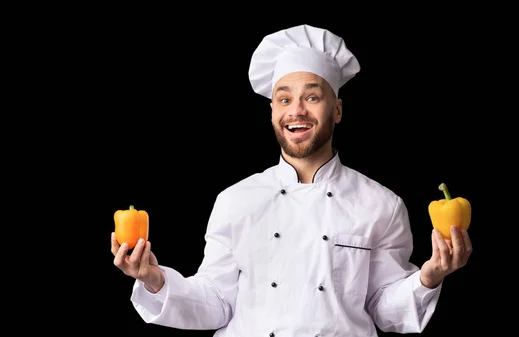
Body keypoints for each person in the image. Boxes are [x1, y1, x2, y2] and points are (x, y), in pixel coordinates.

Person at [111, 24, 472, 336]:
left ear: (338, 110)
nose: (296, 110)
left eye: (312, 97)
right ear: (273, 113)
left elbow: (383, 310)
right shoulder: (236, 200)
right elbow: (217, 304)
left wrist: (429, 276)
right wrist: (155, 281)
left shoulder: (382, 205)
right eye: (284, 99)